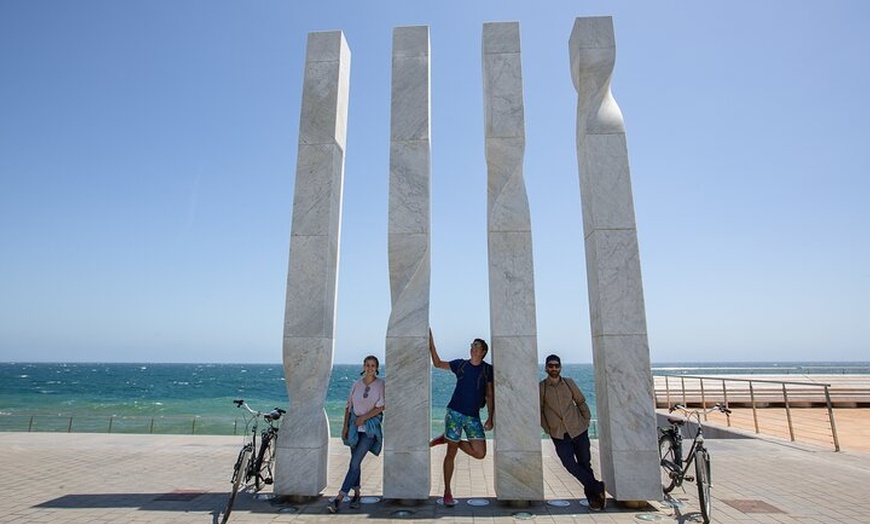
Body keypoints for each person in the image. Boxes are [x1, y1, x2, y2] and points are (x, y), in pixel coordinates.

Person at [428, 329, 494, 507]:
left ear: (483, 351)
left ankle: (448, 438)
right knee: (451, 452)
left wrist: (491, 417)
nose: (472, 348)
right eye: (472, 345)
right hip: (454, 413)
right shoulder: (461, 365)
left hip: (473, 417)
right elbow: (437, 363)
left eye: (476, 346)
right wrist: (431, 342)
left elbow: (489, 394)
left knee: (480, 453)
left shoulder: (488, 369)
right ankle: (447, 492)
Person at [539, 353, 607, 511]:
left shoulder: (569, 383)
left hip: (578, 429)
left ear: (560, 367)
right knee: (569, 463)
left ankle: (594, 499)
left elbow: (581, 401)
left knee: (585, 464)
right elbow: (540, 410)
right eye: (550, 365)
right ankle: (597, 486)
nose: (553, 368)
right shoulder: (541, 387)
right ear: (546, 368)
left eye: (556, 365)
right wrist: (547, 428)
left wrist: (586, 419)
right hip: (559, 433)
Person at [328, 355, 385, 514]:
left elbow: (381, 407)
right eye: (367, 365)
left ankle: (339, 498)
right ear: (363, 367)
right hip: (354, 428)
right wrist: (345, 426)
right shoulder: (356, 384)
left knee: (354, 463)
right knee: (355, 463)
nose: (370, 368)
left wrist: (364, 419)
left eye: (373, 365)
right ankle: (357, 494)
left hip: (369, 430)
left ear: (377, 367)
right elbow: (348, 406)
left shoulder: (381, 384)